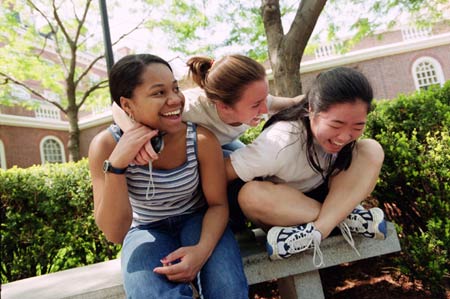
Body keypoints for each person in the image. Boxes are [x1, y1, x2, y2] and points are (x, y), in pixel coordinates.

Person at [88, 53, 248, 298]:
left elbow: (217, 205)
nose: (175, 99)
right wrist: (118, 165)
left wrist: (201, 251)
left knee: (227, 286)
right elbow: (114, 232)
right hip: (145, 228)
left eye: (175, 88)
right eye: (159, 93)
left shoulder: (202, 139)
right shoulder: (105, 146)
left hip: (199, 219)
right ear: (127, 105)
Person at [112, 53, 303, 232]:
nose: (264, 109)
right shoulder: (190, 109)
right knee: (233, 171)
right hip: (199, 151)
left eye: (264, 99)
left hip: (222, 144)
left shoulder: (255, 98)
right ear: (223, 107)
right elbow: (116, 106)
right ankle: (232, 226)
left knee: (256, 166)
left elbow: (294, 102)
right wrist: (136, 134)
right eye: (255, 105)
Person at [225, 66, 387, 267]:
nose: (344, 137)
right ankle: (343, 217)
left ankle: (320, 230)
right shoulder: (280, 141)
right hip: (287, 210)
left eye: (357, 127)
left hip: (326, 203)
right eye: (336, 125)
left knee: (370, 148)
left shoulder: (346, 140)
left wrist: (320, 228)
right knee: (249, 195)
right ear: (312, 110)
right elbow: (222, 173)